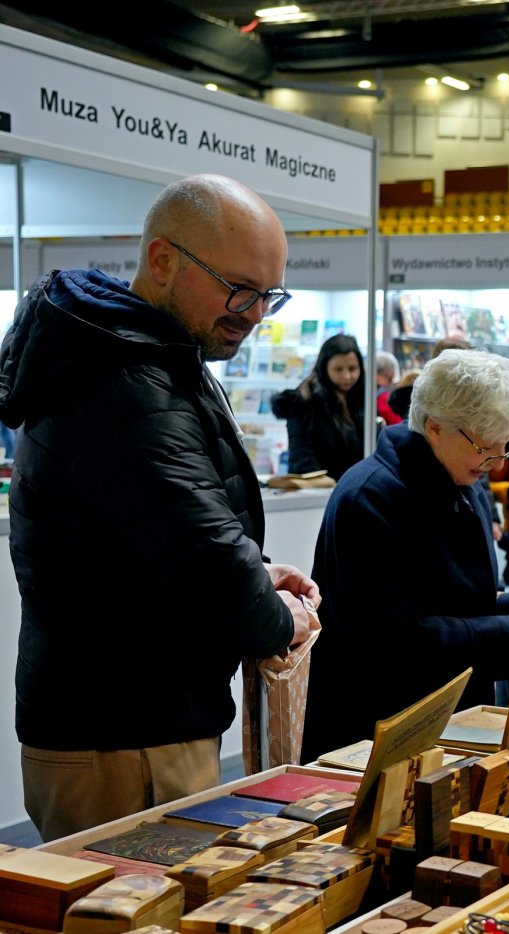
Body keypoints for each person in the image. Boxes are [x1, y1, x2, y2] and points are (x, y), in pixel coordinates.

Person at [0, 174, 316, 840]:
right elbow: (200, 556)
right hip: (123, 735)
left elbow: (161, 536)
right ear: (163, 260)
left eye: (270, 295)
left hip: (135, 719)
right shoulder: (123, 382)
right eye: (239, 288)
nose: (255, 313)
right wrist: (270, 614)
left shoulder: (144, 359)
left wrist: (257, 570)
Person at [301, 350, 509, 759]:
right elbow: (389, 640)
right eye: (486, 447)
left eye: (505, 444)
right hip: (376, 731)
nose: (497, 460)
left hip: (446, 720)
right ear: (434, 427)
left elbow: (459, 599)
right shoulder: (371, 497)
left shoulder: (460, 477)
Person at [271, 334, 366, 480]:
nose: (347, 376)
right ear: (324, 367)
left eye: (353, 368)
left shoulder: (361, 396)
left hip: (353, 488)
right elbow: (303, 458)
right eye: (338, 369)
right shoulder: (303, 401)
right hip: (318, 494)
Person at [375, 351, 402, 426]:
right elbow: (397, 423)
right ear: (378, 374)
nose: (391, 384)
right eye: (389, 379)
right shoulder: (384, 397)